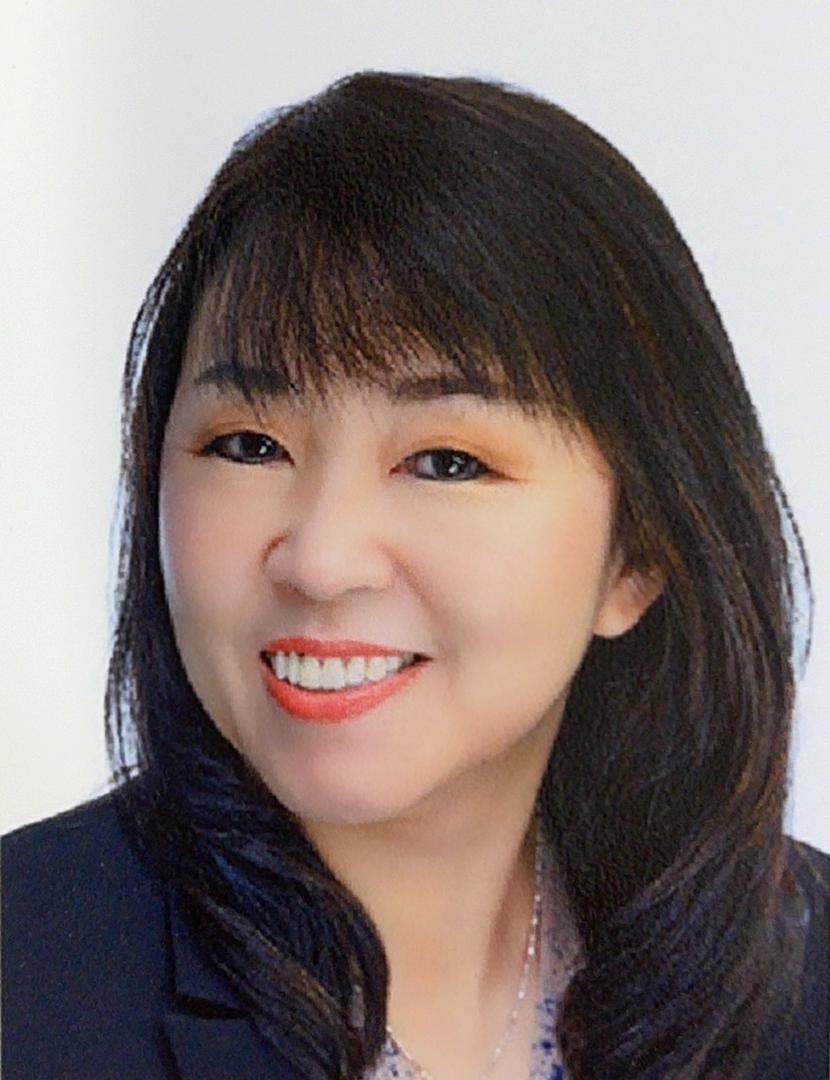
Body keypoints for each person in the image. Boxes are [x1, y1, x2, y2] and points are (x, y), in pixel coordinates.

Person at [2, 70, 828, 1080]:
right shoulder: (25, 986)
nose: (321, 559)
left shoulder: (805, 983)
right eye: (250, 445)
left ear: (638, 554)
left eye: (445, 461)